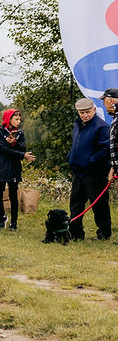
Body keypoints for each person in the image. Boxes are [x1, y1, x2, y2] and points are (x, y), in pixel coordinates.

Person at [67, 98, 110, 241]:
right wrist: (70, 157)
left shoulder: (101, 127)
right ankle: (76, 233)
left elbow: (105, 150)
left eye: (87, 112)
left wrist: (90, 161)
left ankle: (104, 233)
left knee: (99, 205)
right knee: (75, 204)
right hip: (78, 172)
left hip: (95, 173)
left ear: (94, 110)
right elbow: (76, 144)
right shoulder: (77, 125)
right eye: (81, 113)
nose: (84, 115)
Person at [0, 108, 34, 231]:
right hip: (1, 166)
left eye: (20, 119)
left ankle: (14, 222)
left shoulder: (20, 133)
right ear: (9, 119)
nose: (19, 121)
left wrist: (15, 143)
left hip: (14, 168)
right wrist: (22, 155)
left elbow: (22, 148)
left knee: (13, 194)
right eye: (16, 119)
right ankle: (2, 218)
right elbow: (3, 150)